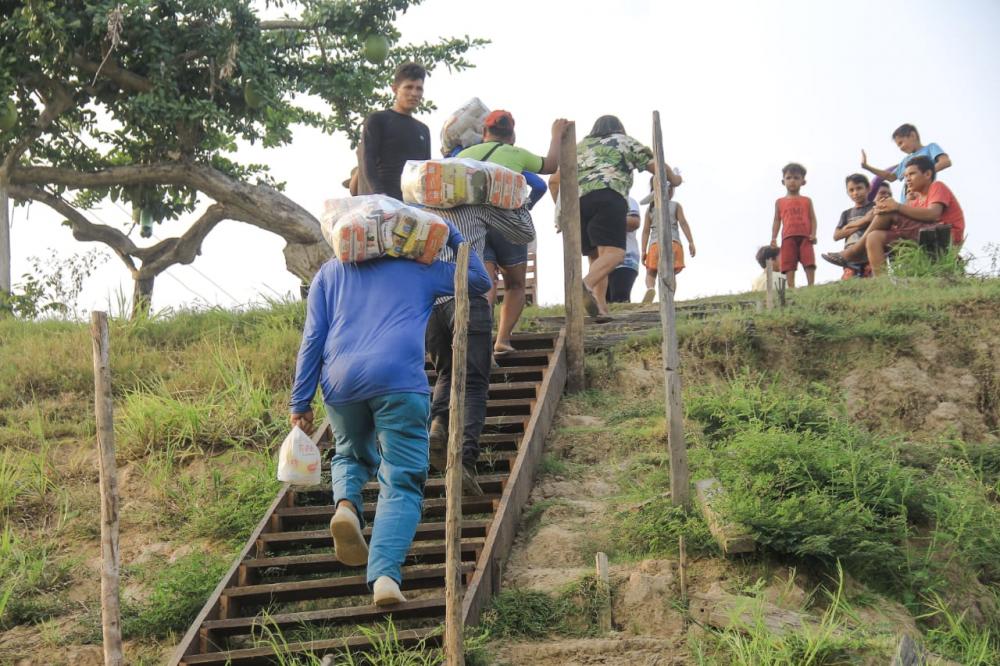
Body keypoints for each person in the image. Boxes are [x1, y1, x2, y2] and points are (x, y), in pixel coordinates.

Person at [288, 221, 491, 607]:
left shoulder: (330, 272)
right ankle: (384, 577)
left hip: (341, 382)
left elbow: (312, 337)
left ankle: (346, 505)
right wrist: (455, 238)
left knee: (349, 452)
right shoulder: (418, 268)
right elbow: (478, 280)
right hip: (399, 380)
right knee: (401, 479)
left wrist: (300, 403)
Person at [426, 204, 535, 495]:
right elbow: (524, 233)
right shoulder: (476, 208)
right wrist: (518, 206)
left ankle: (438, 423)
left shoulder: (418, 211)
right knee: (474, 382)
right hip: (467, 299)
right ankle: (464, 460)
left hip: (431, 307)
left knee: (446, 372)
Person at [550, 116, 681, 321]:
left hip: (579, 204)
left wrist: (564, 212)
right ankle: (584, 285)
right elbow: (657, 167)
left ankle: (601, 308)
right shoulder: (623, 141)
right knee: (616, 255)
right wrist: (675, 179)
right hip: (609, 197)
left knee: (596, 255)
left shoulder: (581, 146)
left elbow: (554, 181)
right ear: (620, 128)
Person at [458, 112, 567, 354]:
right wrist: (556, 135)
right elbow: (550, 166)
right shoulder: (516, 153)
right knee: (516, 285)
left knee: (485, 284)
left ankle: (481, 342)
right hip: (508, 224)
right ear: (512, 135)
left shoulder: (464, 156)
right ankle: (503, 340)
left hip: (476, 226)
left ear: (484, 133)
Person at [822, 155, 965, 275]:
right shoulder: (915, 200)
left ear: (928, 174)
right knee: (874, 237)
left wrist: (895, 207)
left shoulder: (937, 186)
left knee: (889, 210)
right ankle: (883, 284)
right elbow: (905, 224)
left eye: (912, 174)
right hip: (924, 236)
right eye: (906, 175)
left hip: (944, 237)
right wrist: (880, 213)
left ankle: (853, 252)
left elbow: (933, 214)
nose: (907, 179)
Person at [359, 62, 431, 200]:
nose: (414, 93)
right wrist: (379, 194)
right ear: (395, 88)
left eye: (419, 89)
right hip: (384, 203)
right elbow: (367, 160)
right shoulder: (377, 120)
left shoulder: (424, 130)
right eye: (408, 87)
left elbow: (426, 170)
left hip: (414, 206)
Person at [861, 124, 951, 201]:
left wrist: (921, 174)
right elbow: (891, 177)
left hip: (923, 199)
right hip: (906, 202)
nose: (900, 148)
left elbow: (945, 162)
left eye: (901, 143)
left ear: (912, 135)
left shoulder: (930, 148)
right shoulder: (906, 161)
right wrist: (867, 167)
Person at [640, 181, 695, 304]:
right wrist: (690, 241)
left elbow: (645, 231)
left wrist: (643, 250)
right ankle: (670, 298)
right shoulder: (676, 206)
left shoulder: (650, 209)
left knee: (651, 272)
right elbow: (683, 223)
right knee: (671, 273)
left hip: (655, 245)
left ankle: (650, 288)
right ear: (670, 191)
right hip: (673, 244)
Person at [770, 163, 817, 288]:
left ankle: (811, 285)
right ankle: (791, 287)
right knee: (788, 263)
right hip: (788, 237)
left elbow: (813, 219)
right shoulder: (779, 202)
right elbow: (776, 220)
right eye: (789, 177)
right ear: (783, 181)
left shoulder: (807, 200)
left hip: (805, 237)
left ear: (803, 182)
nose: (792, 181)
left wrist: (813, 234)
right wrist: (774, 237)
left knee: (809, 261)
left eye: (796, 178)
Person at [833, 174, 876, 279]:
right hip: (850, 254)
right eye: (851, 190)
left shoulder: (874, 207)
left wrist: (848, 227)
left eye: (859, 188)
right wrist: (861, 224)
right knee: (849, 280)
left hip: (869, 251)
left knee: (870, 280)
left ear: (868, 188)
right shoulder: (846, 214)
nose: (855, 193)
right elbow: (836, 235)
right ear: (847, 193)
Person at [606, 197, 642, 303]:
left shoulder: (628, 200)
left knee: (619, 300)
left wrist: (605, 220)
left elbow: (634, 222)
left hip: (626, 259)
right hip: (602, 261)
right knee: (604, 304)